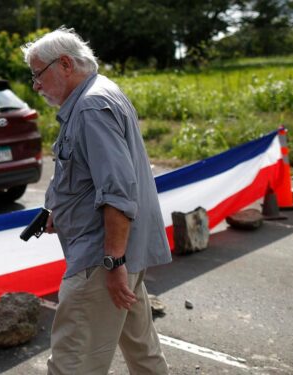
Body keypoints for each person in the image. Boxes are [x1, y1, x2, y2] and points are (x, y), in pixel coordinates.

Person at [22, 28, 172, 374]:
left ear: (64, 64)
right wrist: (56, 208)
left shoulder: (90, 106)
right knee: (143, 353)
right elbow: (90, 176)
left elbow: (117, 191)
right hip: (121, 255)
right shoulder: (101, 94)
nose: (36, 85)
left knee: (73, 363)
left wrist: (112, 261)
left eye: (38, 74)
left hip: (101, 259)